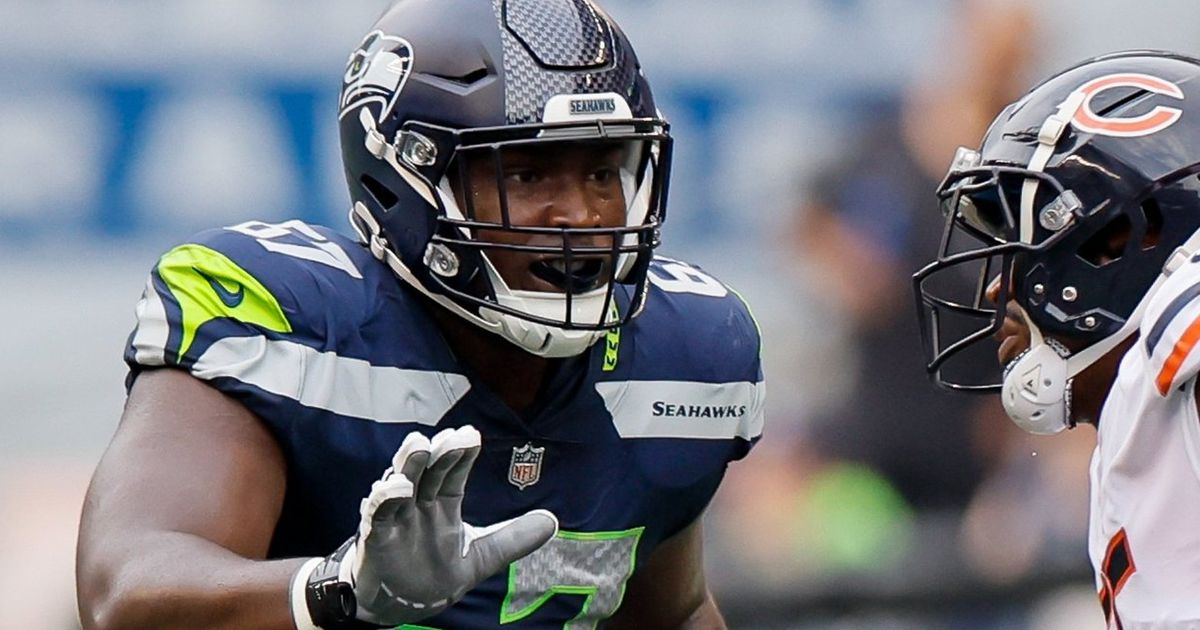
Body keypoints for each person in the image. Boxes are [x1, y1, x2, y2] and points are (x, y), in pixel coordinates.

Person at [75, 1, 764, 628]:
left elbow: (670, 616)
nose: (580, 216)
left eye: (602, 171)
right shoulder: (291, 324)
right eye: (526, 175)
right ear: (406, 180)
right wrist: (337, 588)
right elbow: (128, 593)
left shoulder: (688, 355)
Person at [914, 50, 1200, 626]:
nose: (998, 289)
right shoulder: (1138, 404)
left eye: (1026, 248)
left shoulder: (1183, 316)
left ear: (1118, 242)